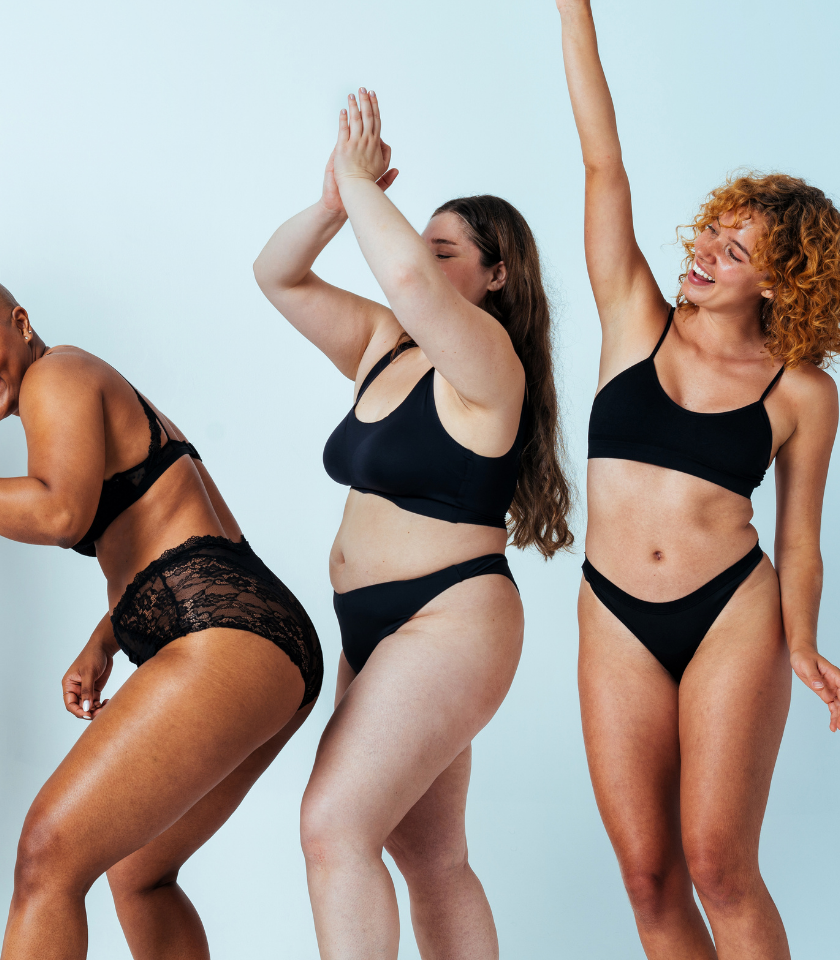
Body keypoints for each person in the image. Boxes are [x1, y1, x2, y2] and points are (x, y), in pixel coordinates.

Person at [0, 274, 322, 960]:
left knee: (48, 853)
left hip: (223, 635)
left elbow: (58, 512)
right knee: (139, 873)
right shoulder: (82, 391)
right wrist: (105, 638)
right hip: (251, 631)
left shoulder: (57, 374)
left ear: (20, 321)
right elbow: (196, 530)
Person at [557, 3, 840, 956]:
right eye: (712, 232)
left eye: (735, 252)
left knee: (719, 865)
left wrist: (803, 645)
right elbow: (603, 160)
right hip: (613, 612)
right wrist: (575, 13)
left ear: (778, 283)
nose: (705, 253)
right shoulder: (633, 314)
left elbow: (802, 537)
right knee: (648, 877)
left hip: (733, 611)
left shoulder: (800, 391)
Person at [255, 91, 574, 958]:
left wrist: (367, 186)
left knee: (332, 825)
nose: (419, 262)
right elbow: (276, 274)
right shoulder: (384, 345)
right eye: (419, 245)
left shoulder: (488, 362)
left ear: (495, 274)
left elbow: (402, 274)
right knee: (430, 856)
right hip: (373, 628)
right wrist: (334, 201)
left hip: (450, 618)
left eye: (444, 251)